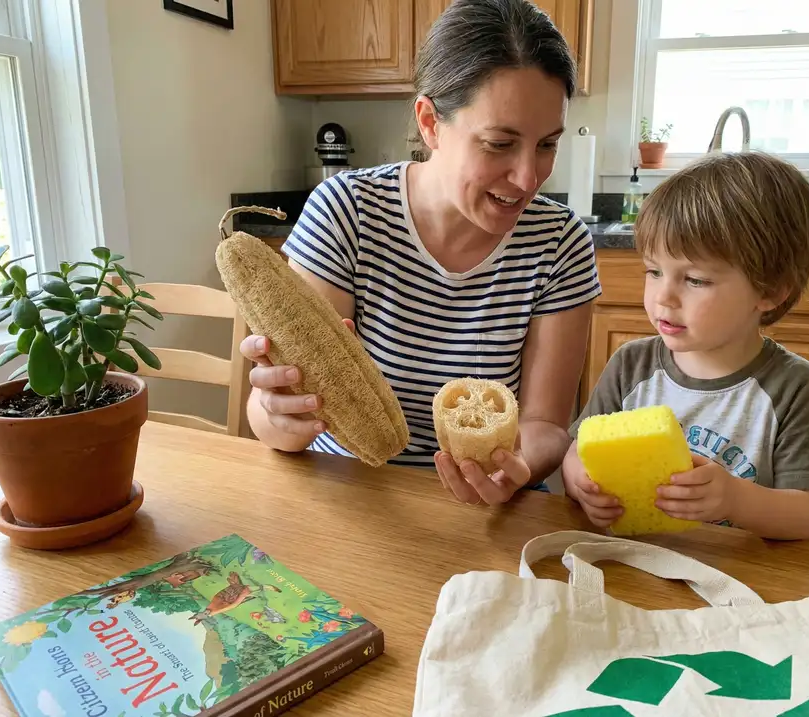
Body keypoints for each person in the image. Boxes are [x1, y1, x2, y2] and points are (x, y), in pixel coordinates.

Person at [239, 0, 602, 506]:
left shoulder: (560, 243)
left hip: (489, 520)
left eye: (547, 145)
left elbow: (545, 424)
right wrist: (281, 415)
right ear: (430, 123)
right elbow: (272, 420)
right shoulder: (348, 212)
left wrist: (515, 469)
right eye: (500, 143)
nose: (528, 178)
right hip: (355, 501)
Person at [562, 151, 809, 541]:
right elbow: (577, 450)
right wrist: (582, 483)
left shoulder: (793, 387)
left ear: (771, 290)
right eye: (654, 271)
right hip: (633, 565)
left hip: (739, 582)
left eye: (695, 280)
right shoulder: (631, 366)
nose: (664, 296)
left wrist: (736, 500)